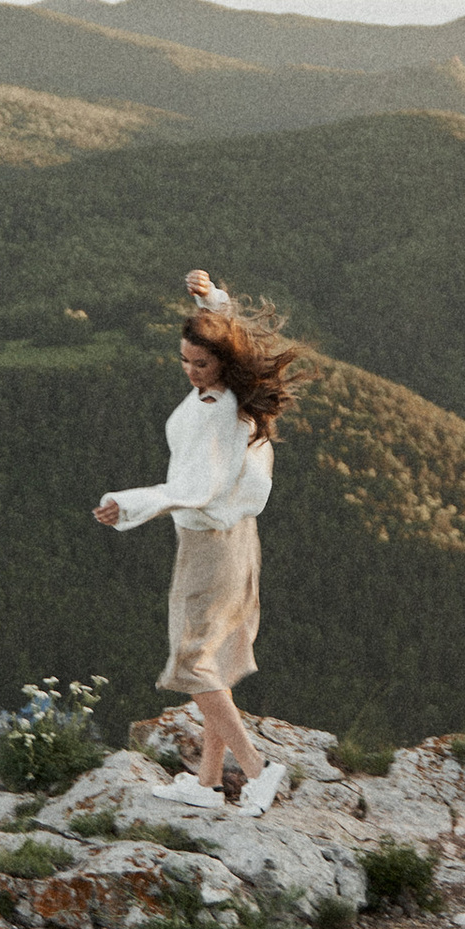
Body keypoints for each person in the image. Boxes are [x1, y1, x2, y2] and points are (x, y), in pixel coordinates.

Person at [94, 270, 304, 810]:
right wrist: (213, 302)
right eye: (185, 360)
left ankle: (257, 771)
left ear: (223, 363)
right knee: (214, 657)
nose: (191, 371)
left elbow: (193, 486)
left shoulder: (213, 411)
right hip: (239, 538)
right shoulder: (232, 392)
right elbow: (233, 335)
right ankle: (209, 783)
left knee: (193, 661)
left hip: (208, 544)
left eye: (201, 363)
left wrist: (128, 504)